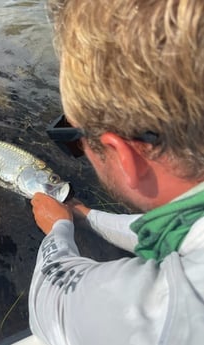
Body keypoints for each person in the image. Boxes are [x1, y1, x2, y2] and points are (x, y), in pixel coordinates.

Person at [28, 0, 204, 344]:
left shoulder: (168, 310)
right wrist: (85, 215)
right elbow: (177, 232)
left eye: (74, 139)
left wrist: (58, 229)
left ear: (125, 155)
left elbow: (52, 306)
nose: (80, 150)